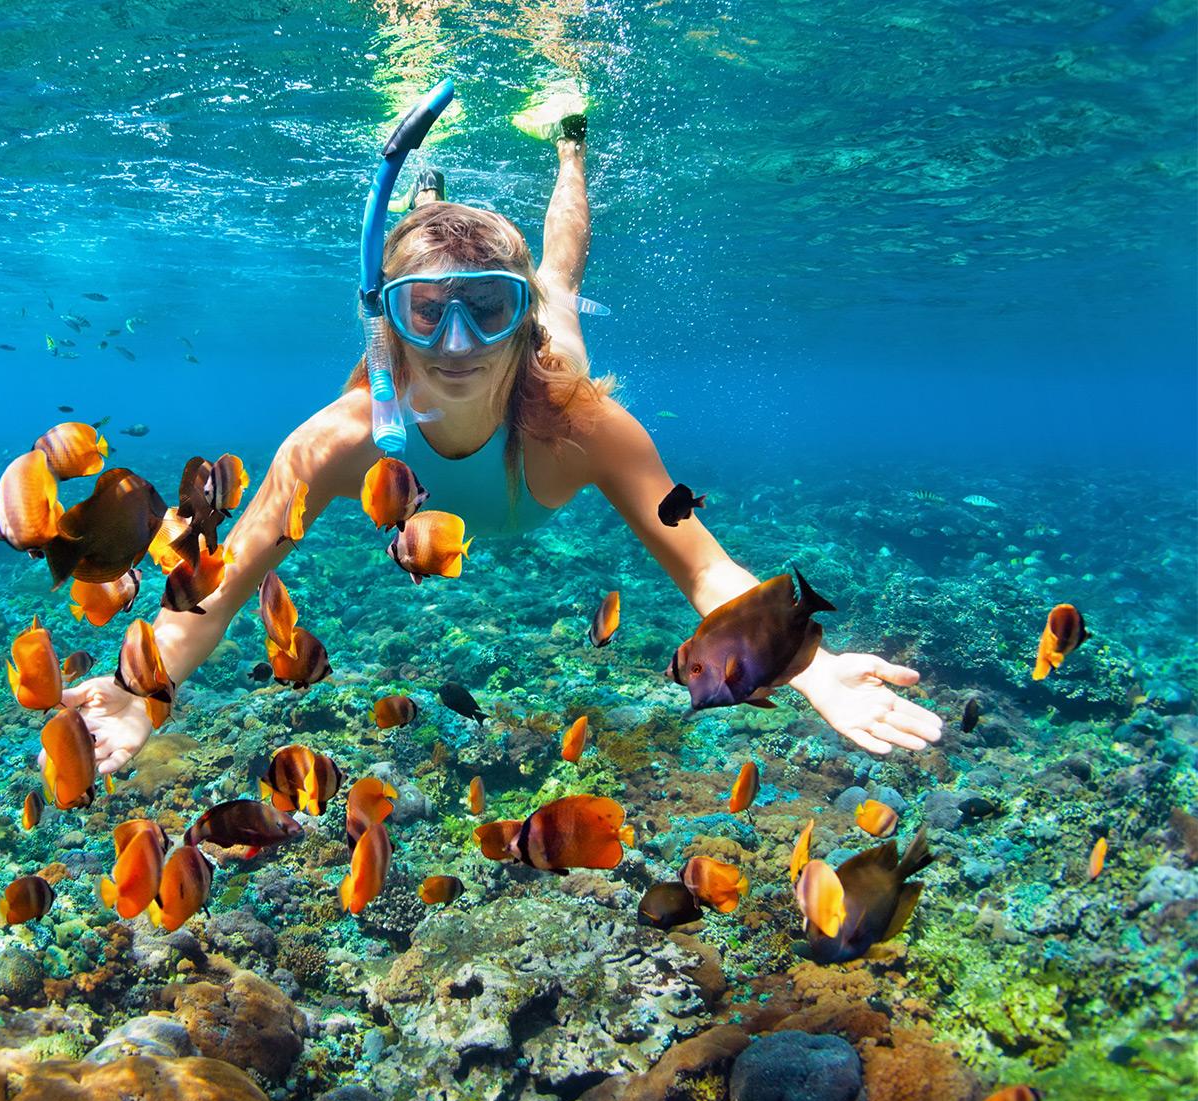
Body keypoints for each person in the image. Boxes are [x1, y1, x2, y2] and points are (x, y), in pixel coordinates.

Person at [63, 94, 943, 774]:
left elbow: (708, 567)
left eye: (489, 309)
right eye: (426, 311)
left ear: (521, 327)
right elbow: (217, 588)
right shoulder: (339, 441)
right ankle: (428, 201)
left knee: (559, 272)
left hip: (549, 359)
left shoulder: (585, 425)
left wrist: (805, 663)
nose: (456, 346)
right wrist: (147, 686)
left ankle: (569, 143)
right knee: (456, 257)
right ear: (389, 322)